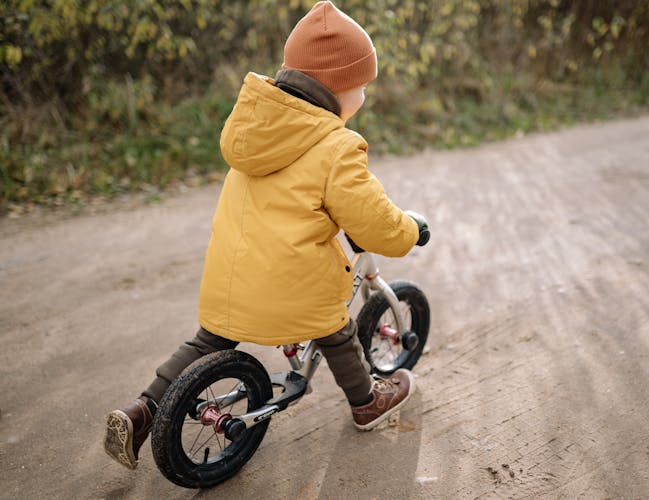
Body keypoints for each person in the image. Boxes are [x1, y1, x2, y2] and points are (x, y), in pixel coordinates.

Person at [104, 1, 430, 470]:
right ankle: (366, 404)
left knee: (208, 341)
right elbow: (374, 221)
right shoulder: (337, 146)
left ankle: (142, 411)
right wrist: (409, 231)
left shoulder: (254, 129)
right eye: (361, 87)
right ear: (337, 88)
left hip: (230, 283)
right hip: (291, 293)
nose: (364, 97)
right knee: (336, 329)